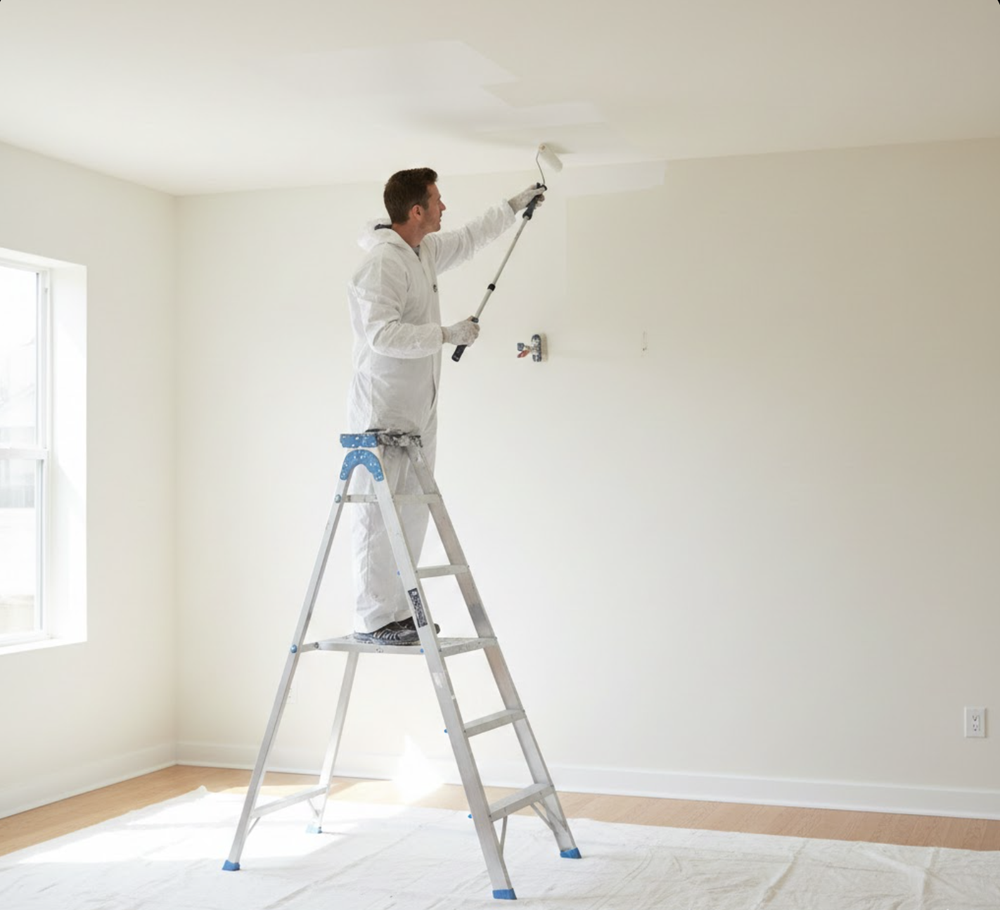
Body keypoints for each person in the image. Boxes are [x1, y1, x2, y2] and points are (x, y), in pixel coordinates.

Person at [346, 167, 544, 644]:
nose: (443, 207)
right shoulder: (383, 264)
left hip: (418, 408)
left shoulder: (423, 252)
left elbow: (470, 238)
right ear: (416, 210)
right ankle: (372, 619)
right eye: (437, 200)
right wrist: (446, 334)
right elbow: (381, 334)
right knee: (378, 515)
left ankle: (398, 613)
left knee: (411, 512)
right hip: (383, 411)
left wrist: (513, 207)